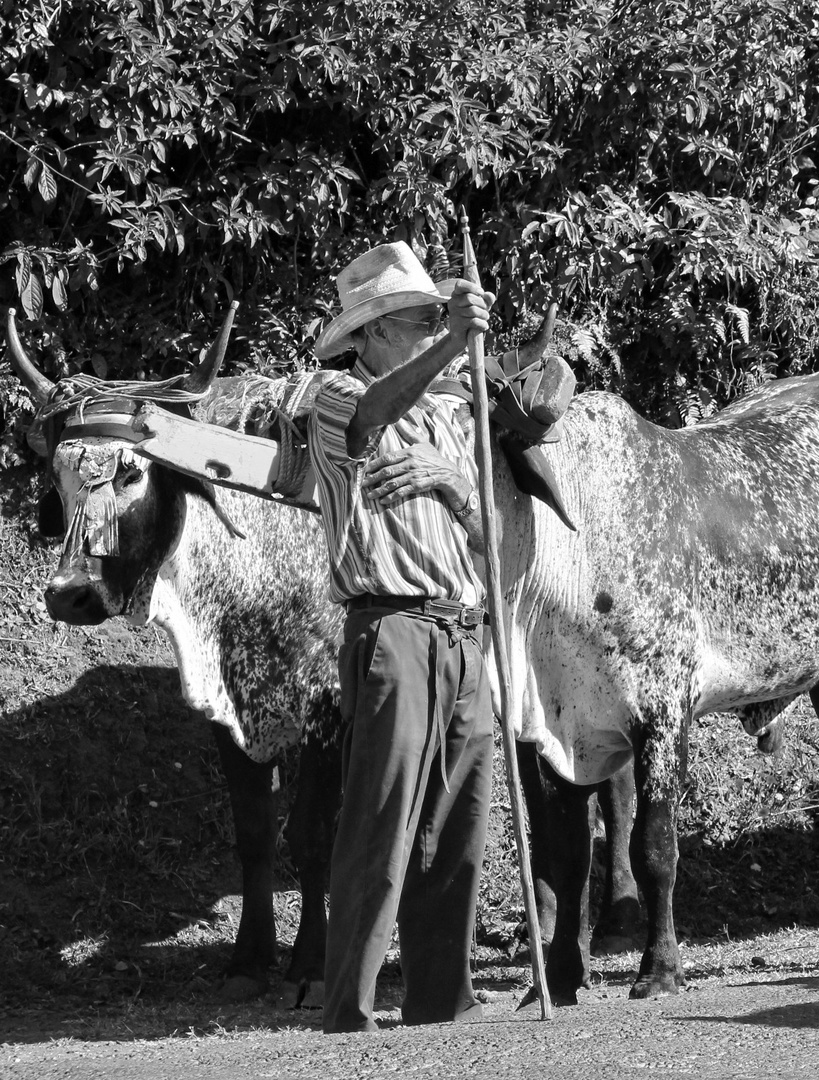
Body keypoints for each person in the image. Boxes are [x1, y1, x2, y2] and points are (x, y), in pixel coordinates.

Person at [306, 240, 497, 1034]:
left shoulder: (455, 416)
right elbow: (372, 416)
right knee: (381, 820)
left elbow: (493, 541)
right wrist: (458, 339)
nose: (433, 330)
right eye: (419, 321)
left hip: (464, 630)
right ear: (372, 335)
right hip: (390, 629)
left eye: (436, 320)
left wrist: (452, 486)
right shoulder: (329, 394)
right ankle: (348, 1005)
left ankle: (439, 1002)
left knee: (460, 823)